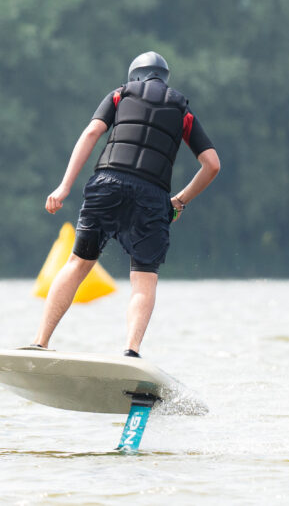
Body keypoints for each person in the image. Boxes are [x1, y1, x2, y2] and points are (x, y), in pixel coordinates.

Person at [28, 52, 220, 357]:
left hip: (107, 186)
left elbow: (91, 132)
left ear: (136, 76)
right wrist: (180, 201)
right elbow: (211, 164)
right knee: (143, 281)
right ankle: (131, 352)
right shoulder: (182, 110)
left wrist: (64, 186)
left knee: (77, 264)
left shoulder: (119, 95)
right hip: (152, 197)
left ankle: (40, 342)